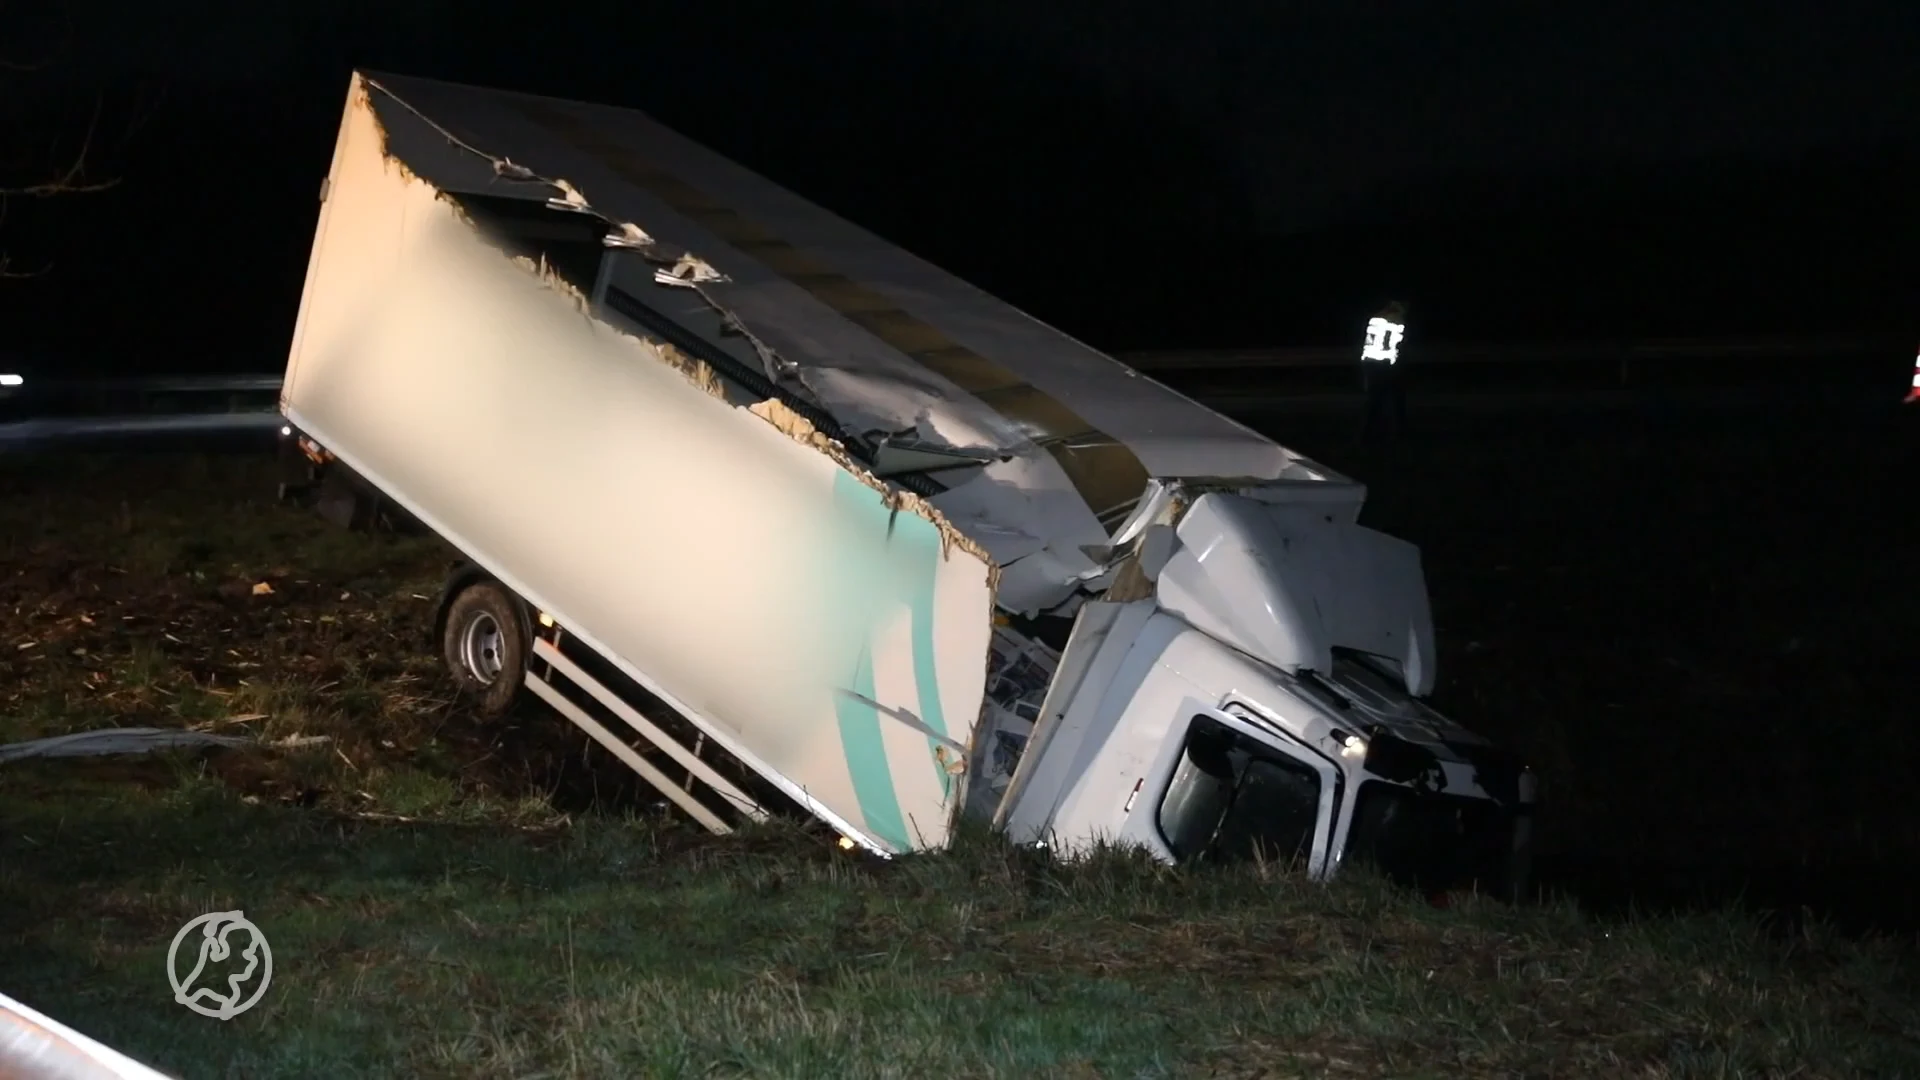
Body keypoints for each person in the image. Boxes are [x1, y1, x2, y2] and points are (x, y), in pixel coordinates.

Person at [1358, 301, 1409, 446]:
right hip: (1386, 365)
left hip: (1369, 363)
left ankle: (1368, 436)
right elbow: (1399, 345)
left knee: (1373, 402)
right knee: (1395, 402)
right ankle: (1396, 435)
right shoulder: (1397, 320)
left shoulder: (1375, 318)